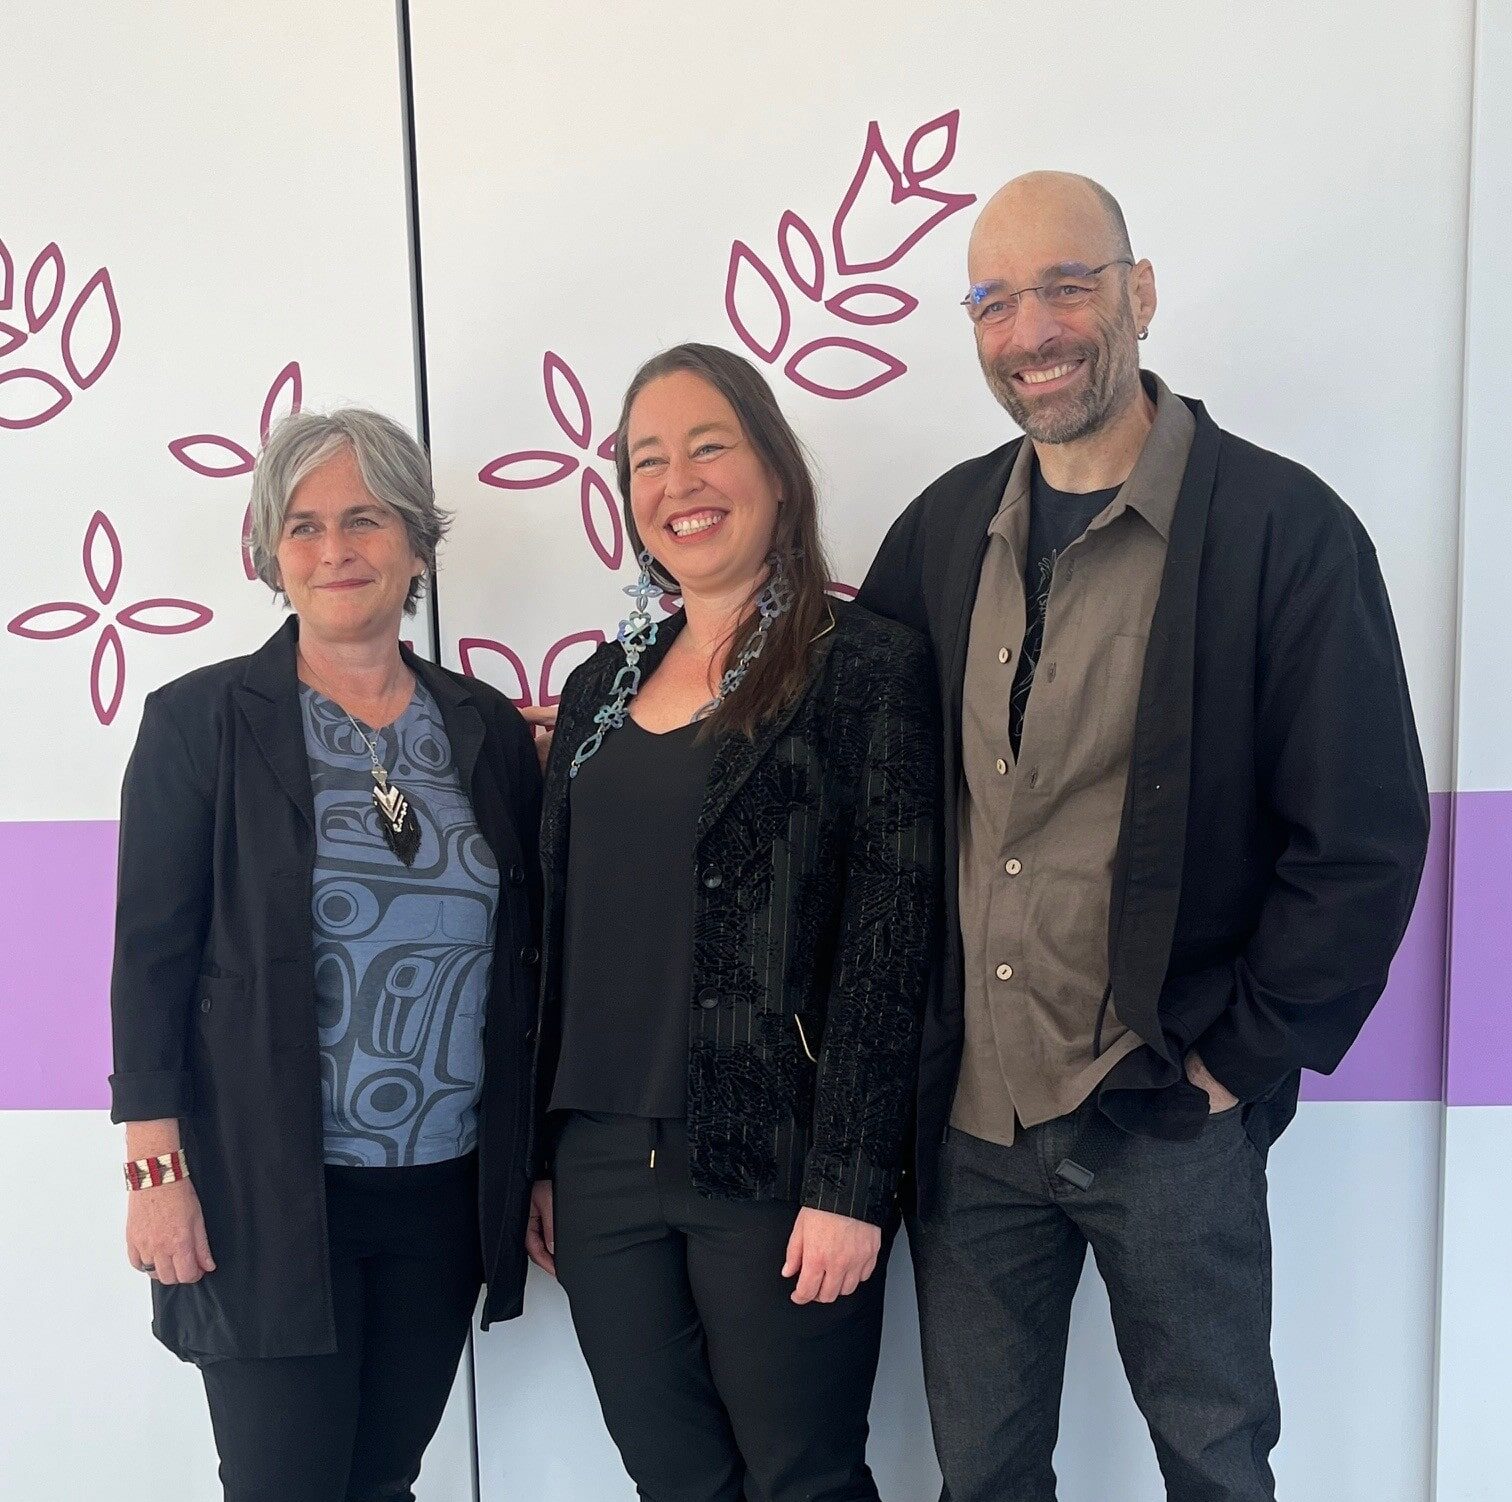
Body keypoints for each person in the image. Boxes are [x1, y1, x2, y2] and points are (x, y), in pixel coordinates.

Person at [857, 172, 1431, 1502]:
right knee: (983, 1478)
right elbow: (852, 769)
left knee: (1216, 1467)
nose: (1032, 331)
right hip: (972, 1125)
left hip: (1169, 1109)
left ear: (1142, 293)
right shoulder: (943, 530)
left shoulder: (1285, 532)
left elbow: (1361, 836)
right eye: (995, 301)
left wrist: (1238, 1058)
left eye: (1068, 286)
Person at [524, 342, 940, 1502]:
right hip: (601, 1161)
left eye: (710, 445)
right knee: (675, 1480)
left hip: (776, 1160)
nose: (680, 482)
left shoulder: (864, 667)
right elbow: (560, 930)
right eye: (648, 460)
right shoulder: (598, 686)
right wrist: (542, 1159)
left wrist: (853, 1180)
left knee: (805, 1478)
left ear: (775, 468)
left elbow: (891, 940)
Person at [108, 408, 543, 1502]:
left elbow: (530, 958)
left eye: (365, 519)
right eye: (302, 525)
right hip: (264, 1194)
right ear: (270, 551)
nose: (335, 548)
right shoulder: (200, 722)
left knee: (382, 1481)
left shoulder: (484, 729)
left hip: (442, 1194)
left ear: (416, 543)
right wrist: (155, 1174)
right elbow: (150, 961)